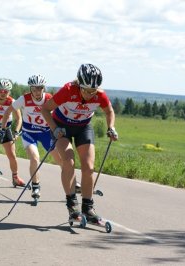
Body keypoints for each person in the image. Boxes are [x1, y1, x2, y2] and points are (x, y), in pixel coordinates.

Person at [41, 63, 118, 223]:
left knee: (89, 167)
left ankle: (88, 208)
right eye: (87, 90)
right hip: (62, 127)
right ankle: (72, 205)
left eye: (93, 91)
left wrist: (111, 127)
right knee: (68, 162)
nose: (90, 94)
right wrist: (54, 129)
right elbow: (45, 109)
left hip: (83, 127)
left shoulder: (100, 95)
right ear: (80, 85)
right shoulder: (68, 91)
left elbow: (109, 111)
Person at [0, 74, 63, 200]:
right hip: (29, 132)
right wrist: (3, 129)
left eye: (39, 88)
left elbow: (60, 113)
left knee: (61, 159)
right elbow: (8, 111)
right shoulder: (24, 99)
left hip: (46, 132)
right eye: (34, 89)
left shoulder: (49, 98)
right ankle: (35, 186)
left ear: (43, 88)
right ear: (30, 89)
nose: (37, 92)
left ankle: (73, 184)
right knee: (35, 158)